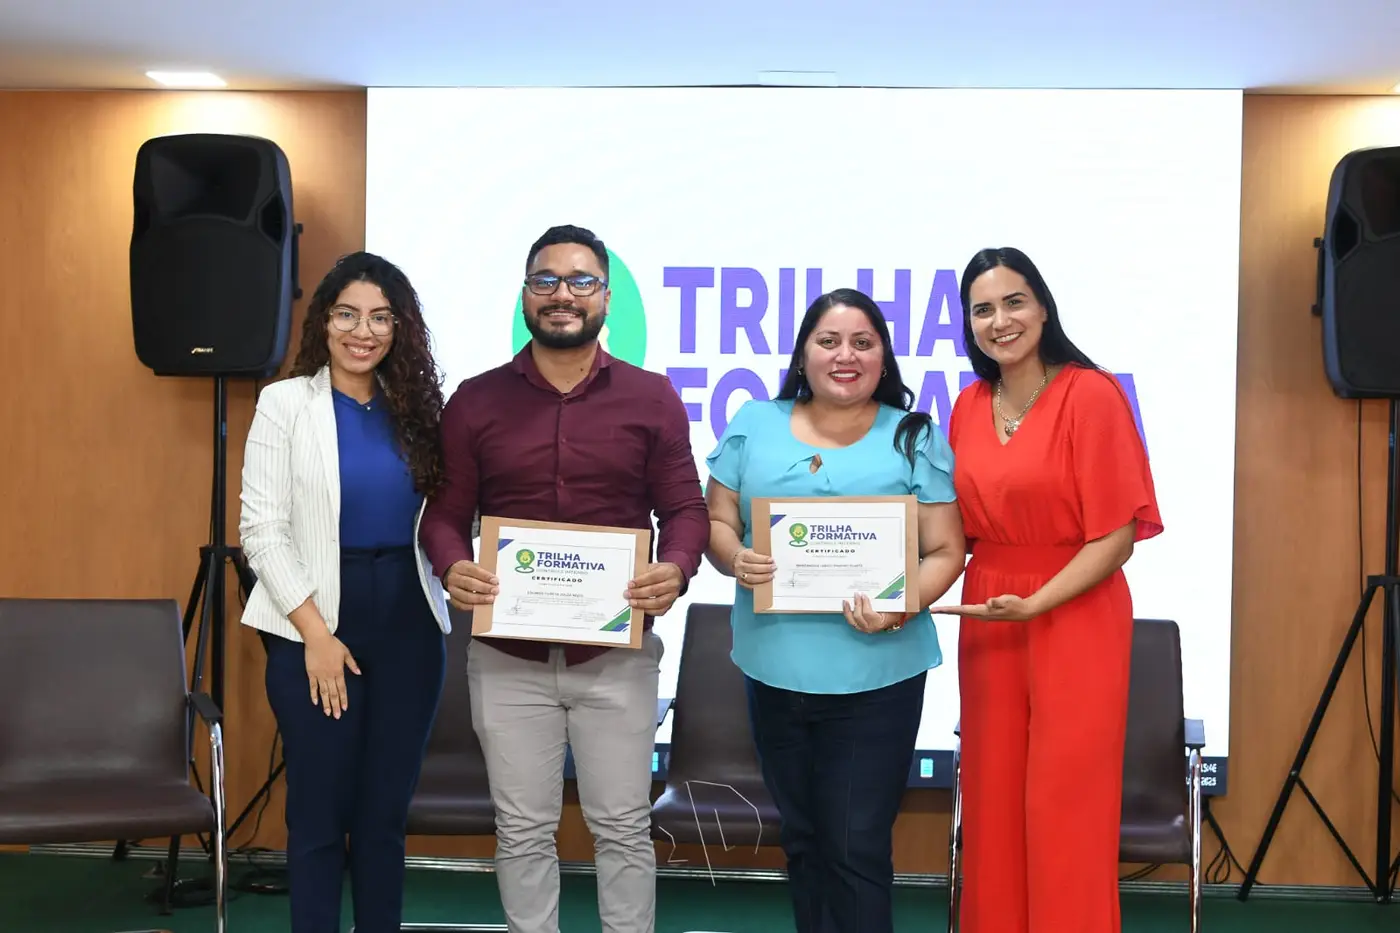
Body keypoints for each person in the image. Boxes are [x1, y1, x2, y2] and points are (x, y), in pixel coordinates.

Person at [419, 224, 709, 933]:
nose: (563, 295)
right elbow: (444, 516)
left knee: (623, 826)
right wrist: (452, 563)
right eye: (546, 280)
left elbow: (685, 510)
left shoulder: (651, 398)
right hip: (506, 658)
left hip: (616, 655)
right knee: (522, 830)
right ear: (525, 295)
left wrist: (674, 568)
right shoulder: (476, 401)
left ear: (606, 297)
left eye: (581, 281)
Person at [704, 288, 967, 933]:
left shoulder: (913, 436)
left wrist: (900, 604)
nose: (845, 355)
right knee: (803, 842)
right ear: (802, 354)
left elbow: (946, 550)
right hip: (775, 669)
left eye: (862, 343)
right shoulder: (754, 423)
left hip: (878, 676)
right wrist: (735, 558)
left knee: (855, 847)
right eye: (828, 341)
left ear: (883, 357)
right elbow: (717, 520)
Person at [931, 247, 1163, 933]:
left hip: (1075, 609)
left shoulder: (1091, 394)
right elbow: (950, 532)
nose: (1000, 320)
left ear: (1042, 308)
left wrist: (1037, 603)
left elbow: (1116, 536)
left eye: (1014, 302)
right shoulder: (968, 405)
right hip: (990, 609)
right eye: (982, 309)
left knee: (1067, 802)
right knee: (994, 797)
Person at [237, 251, 452, 933]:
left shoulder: (419, 410)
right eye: (348, 315)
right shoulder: (284, 404)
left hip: (409, 621)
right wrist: (317, 636)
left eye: (381, 317)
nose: (364, 331)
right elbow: (261, 530)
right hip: (314, 623)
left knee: (384, 816)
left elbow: (450, 516)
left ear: (400, 327)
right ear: (324, 322)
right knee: (320, 814)